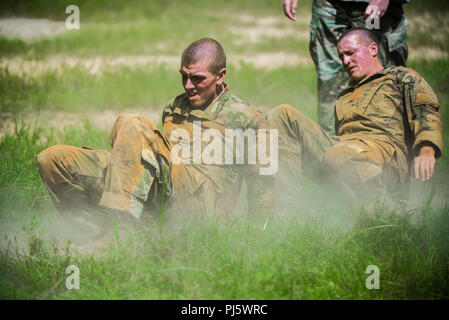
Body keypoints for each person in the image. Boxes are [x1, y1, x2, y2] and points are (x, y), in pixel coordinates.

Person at [37, 38, 275, 240]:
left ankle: (121, 235)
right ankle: (93, 239)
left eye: (198, 79)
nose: (188, 86)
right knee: (55, 159)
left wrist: (257, 238)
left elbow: (264, 182)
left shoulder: (248, 117)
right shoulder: (174, 106)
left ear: (220, 76)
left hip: (200, 211)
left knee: (131, 123)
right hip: (165, 194)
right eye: (184, 76)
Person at [267, 28, 442, 206]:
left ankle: (387, 215)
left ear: (373, 49)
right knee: (282, 115)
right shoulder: (345, 95)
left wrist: (427, 150)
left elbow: (426, 108)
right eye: (341, 56)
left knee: (339, 154)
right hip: (342, 152)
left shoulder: (399, 77)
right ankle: (284, 214)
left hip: (384, 156)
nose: (345, 61)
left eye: (351, 53)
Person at [282, 0, 409, 135]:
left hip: (371, 7)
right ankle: (332, 147)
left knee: (381, 77)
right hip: (328, 5)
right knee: (330, 82)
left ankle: (388, 147)